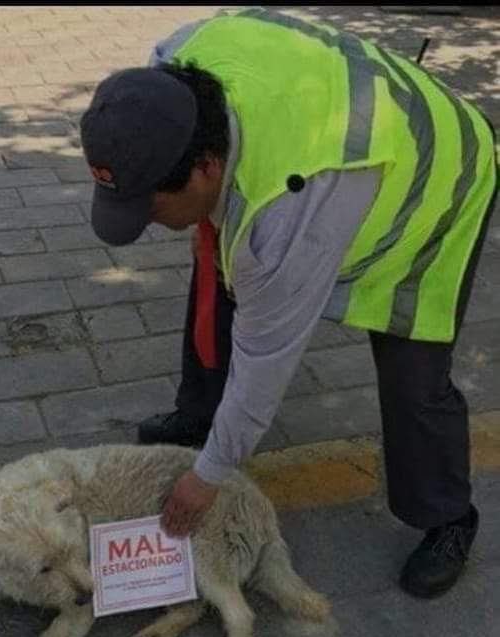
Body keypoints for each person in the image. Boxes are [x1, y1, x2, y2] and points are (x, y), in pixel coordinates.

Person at [79, 8, 498, 598]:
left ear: (205, 167)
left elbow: (265, 360)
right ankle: (200, 411)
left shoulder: (284, 218)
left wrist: (208, 478)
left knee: (414, 373)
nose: (147, 224)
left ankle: (447, 516)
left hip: (436, 179)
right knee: (219, 272)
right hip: (350, 134)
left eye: (151, 207)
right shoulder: (168, 71)